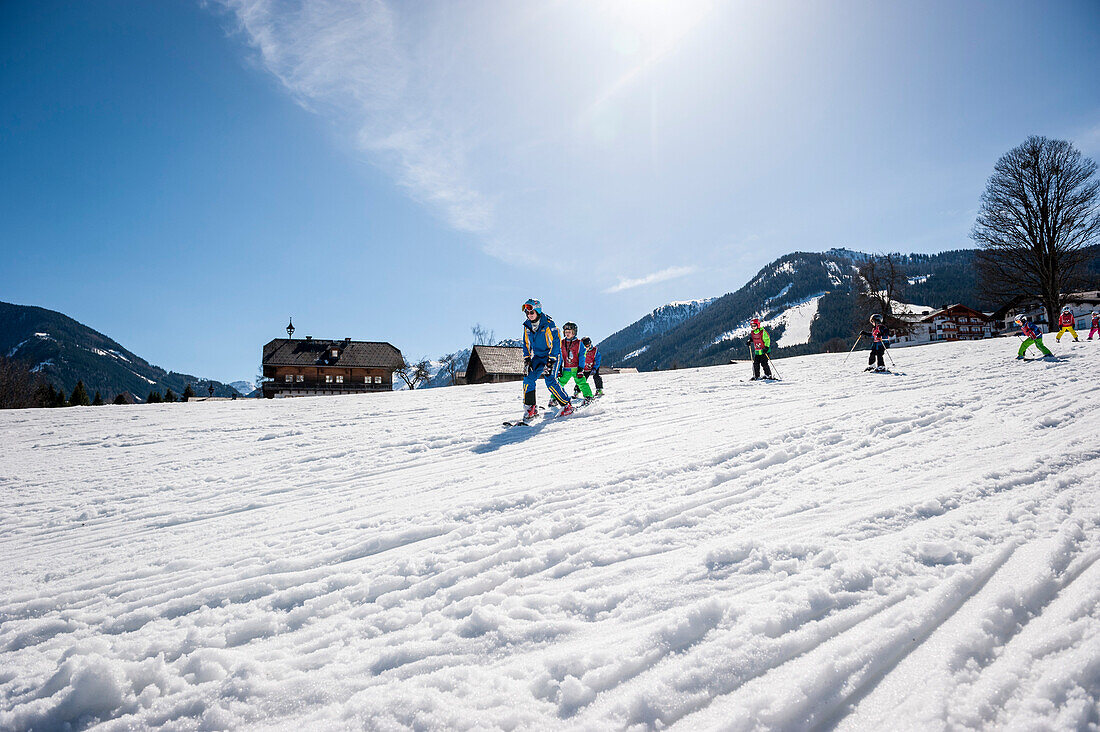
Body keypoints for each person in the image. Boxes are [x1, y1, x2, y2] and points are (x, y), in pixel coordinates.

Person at [521, 299, 574, 421]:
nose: (529, 315)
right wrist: (527, 359)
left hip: (552, 355)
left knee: (550, 379)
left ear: (538, 311)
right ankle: (531, 408)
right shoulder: (527, 326)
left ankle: (567, 405)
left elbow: (556, 343)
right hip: (538, 356)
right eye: (527, 313)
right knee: (528, 378)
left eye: (532, 312)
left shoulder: (549, 324)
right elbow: (526, 343)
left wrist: (551, 361)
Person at [557, 322, 594, 402]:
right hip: (566, 369)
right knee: (559, 384)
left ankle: (589, 397)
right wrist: (559, 368)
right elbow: (559, 356)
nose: (567, 334)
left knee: (581, 383)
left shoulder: (579, 343)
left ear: (574, 333)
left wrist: (580, 369)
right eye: (566, 332)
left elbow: (582, 356)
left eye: (569, 332)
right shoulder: (562, 343)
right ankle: (554, 398)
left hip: (576, 368)